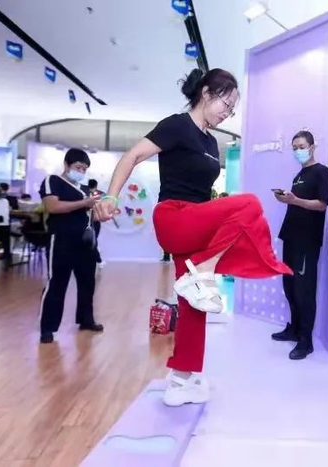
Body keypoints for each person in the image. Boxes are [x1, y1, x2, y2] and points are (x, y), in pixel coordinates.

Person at [94, 68, 292, 407]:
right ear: (206, 93)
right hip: (173, 216)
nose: (227, 113)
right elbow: (133, 156)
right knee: (250, 203)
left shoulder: (211, 142)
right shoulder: (177, 125)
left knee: (194, 303)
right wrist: (111, 196)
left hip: (196, 221)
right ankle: (203, 270)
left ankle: (182, 379)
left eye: (232, 110)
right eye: (225, 104)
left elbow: (202, 191)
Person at [271, 131, 328, 360]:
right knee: (290, 287)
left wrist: (295, 200)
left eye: (302, 146)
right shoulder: (299, 176)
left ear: (312, 147)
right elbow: (297, 203)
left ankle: (306, 341)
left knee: (304, 290)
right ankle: (294, 329)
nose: (298, 151)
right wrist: (286, 199)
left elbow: (322, 204)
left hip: (307, 241)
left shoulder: (322, 172)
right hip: (291, 237)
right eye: (294, 147)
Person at [38, 148, 103, 344]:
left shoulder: (84, 189)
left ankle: (86, 320)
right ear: (66, 165)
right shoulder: (53, 181)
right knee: (57, 283)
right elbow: (52, 206)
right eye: (78, 167)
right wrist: (84, 203)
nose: (81, 171)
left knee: (87, 283)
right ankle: (47, 328)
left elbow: (90, 214)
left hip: (85, 243)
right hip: (61, 240)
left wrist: (101, 211)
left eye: (84, 169)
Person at [87, 179, 105, 268]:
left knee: (93, 240)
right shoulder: (84, 193)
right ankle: (98, 260)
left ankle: (97, 259)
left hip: (94, 220)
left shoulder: (100, 194)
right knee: (91, 241)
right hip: (88, 220)